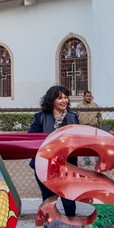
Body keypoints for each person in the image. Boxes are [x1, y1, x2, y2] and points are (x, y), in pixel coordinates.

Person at [29, 85, 80, 214]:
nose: (64, 101)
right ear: (51, 100)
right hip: (45, 166)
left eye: (65, 97)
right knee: (49, 199)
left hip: (67, 165)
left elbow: (79, 138)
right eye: (59, 98)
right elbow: (31, 137)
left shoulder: (73, 117)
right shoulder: (40, 117)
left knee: (69, 199)